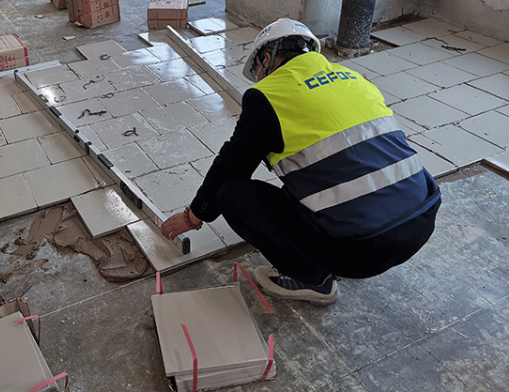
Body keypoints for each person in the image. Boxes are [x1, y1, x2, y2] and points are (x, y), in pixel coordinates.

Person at [160, 18, 441, 305]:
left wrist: (194, 215)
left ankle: (313, 280)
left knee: (231, 194)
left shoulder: (267, 95)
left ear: (266, 59)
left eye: (258, 71)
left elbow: (232, 164)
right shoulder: (354, 79)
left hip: (359, 251)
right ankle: (352, 231)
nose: (259, 79)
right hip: (421, 220)